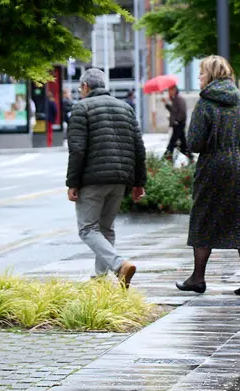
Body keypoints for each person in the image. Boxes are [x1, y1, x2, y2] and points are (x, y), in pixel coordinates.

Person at [176, 55, 240, 296]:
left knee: (204, 219)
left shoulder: (206, 104)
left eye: (202, 73)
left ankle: (197, 277)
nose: (199, 77)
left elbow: (194, 142)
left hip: (214, 166)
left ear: (212, 76)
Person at [66, 68, 147, 287]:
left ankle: (119, 265)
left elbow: (77, 149)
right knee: (106, 228)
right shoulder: (125, 108)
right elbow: (139, 148)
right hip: (120, 179)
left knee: (87, 229)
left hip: (93, 180)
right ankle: (100, 281)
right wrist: (139, 182)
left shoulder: (82, 108)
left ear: (85, 87)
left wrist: (72, 183)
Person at [163, 84, 191, 162]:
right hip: (177, 124)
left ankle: (166, 157)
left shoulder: (179, 99)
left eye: (170, 90)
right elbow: (173, 111)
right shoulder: (175, 99)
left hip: (179, 124)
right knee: (182, 144)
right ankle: (190, 157)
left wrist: (177, 121)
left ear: (174, 90)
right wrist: (166, 104)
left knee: (172, 142)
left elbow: (182, 112)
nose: (168, 92)